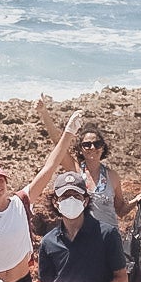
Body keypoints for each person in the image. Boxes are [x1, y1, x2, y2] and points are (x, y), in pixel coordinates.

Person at [36, 171, 130, 282]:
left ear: (85, 200)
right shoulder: (48, 241)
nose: (70, 200)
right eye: (65, 196)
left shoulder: (107, 234)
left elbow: (121, 280)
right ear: (55, 202)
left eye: (76, 195)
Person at [35, 96, 128, 240]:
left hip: (110, 240)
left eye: (97, 144)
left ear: (103, 148)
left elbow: (120, 210)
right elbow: (58, 144)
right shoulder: (76, 171)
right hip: (84, 239)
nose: (92, 148)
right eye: (87, 145)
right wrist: (44, 113)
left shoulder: (112, 176)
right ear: (80, 149)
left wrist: (138, 201)